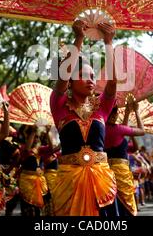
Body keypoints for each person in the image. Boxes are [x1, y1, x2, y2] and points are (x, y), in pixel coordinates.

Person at [50, 19, 118, 216]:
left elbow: (112, 84)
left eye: (92, 76)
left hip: (101, 181)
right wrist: (78, 39)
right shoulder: (60, 106)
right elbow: (62, 76)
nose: (90, 80)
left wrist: (108, 42)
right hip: (70, 183)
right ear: (70, 82)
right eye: (82, 75)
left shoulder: (102, 108)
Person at [104, 99, 145, 216]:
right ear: (115, 114)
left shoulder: (100, 128)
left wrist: (127, 113)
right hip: (121, 171)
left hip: (106, 171)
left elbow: (122, 134)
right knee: (126, 204)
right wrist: (136, 112)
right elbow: (142, 131)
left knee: (112, 202)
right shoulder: (118, 129)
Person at [17, 125, 48, 216]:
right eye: (34, 137)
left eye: (38, 137)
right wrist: (34, 131)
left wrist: (48, 132)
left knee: (38, 208)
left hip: (38, 181)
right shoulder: (23, 148)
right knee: (27, 205)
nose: (36, 139)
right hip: (27, 181)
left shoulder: (40, 149)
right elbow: (27, 149)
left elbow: (52, 148)